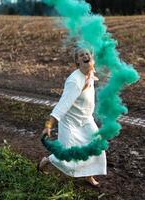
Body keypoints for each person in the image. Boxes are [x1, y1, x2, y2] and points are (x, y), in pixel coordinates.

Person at [38, 47, 107, 186]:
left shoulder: (90, 72)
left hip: (86, 119)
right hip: (70, 122)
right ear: (77, 61)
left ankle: (89, 175)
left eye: (87, 54)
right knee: (65, 155)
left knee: (96, 147)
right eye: (81, 55)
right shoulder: (74, 81)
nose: (85, 56)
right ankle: (46, 161)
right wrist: (49, 125)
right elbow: (62, 105)